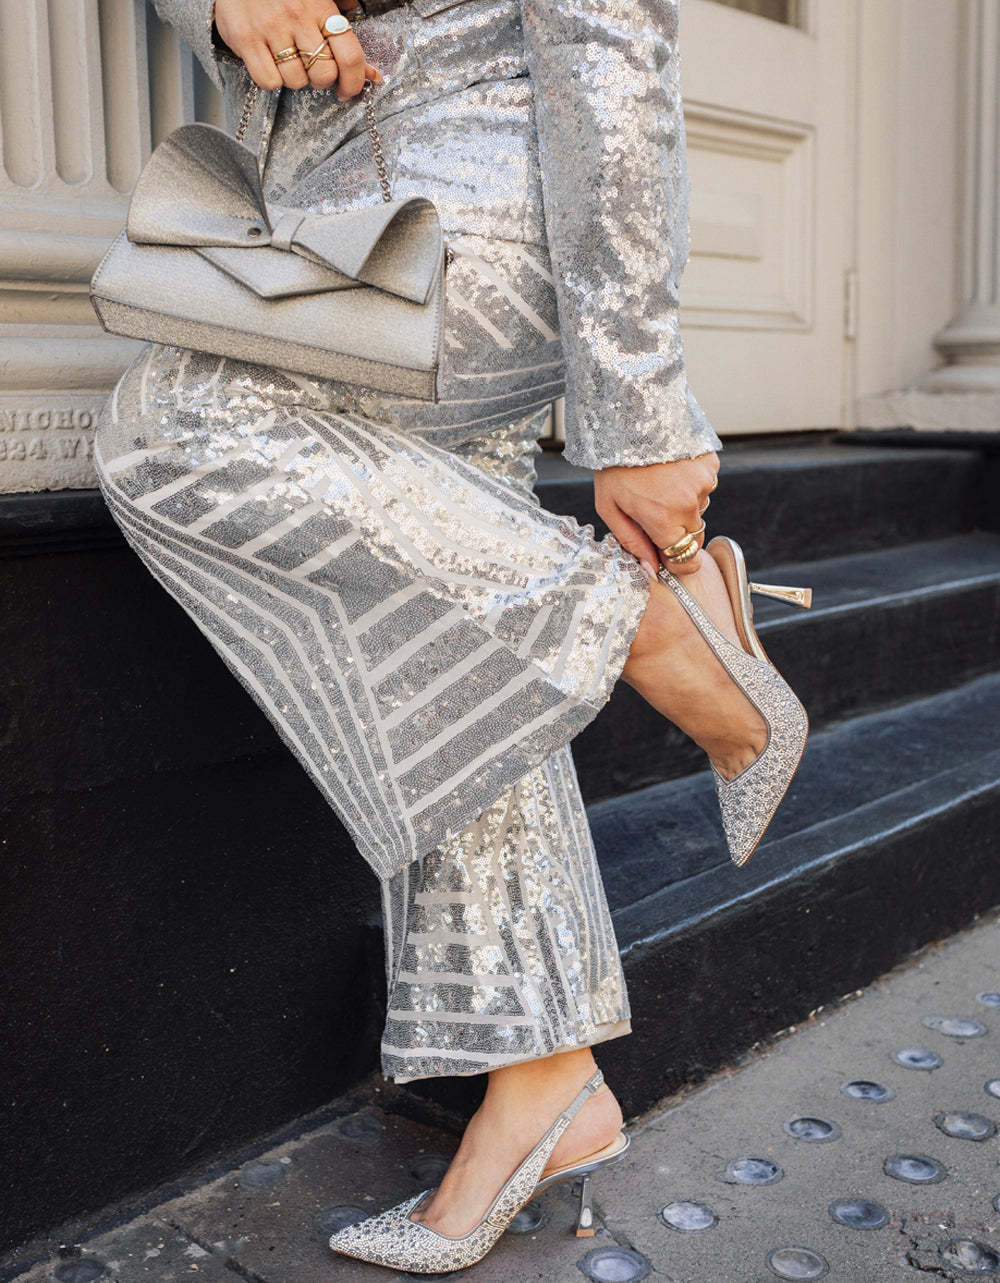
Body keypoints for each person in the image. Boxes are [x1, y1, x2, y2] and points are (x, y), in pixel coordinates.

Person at [92, 0, 809, 1271]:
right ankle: (545, 1083)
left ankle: (645, 624)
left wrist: (639, 408)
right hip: (337, 196)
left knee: (178, 423)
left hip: (476, 201)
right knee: (454, 612)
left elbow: (609, 33)